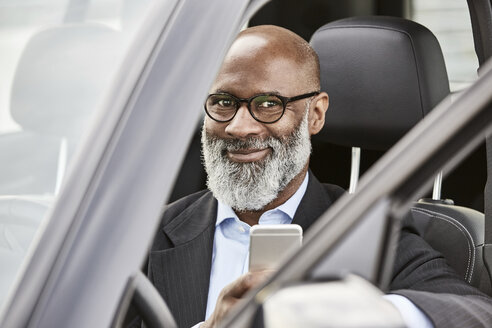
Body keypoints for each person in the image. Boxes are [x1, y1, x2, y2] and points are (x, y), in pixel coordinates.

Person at [148, 25, 492, 328]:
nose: (239, 127)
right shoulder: (147, 236)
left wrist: (366, 314)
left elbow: (475, 314)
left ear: (315, 114)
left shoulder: (363, 228)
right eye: (223, 102)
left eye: (269, 104)